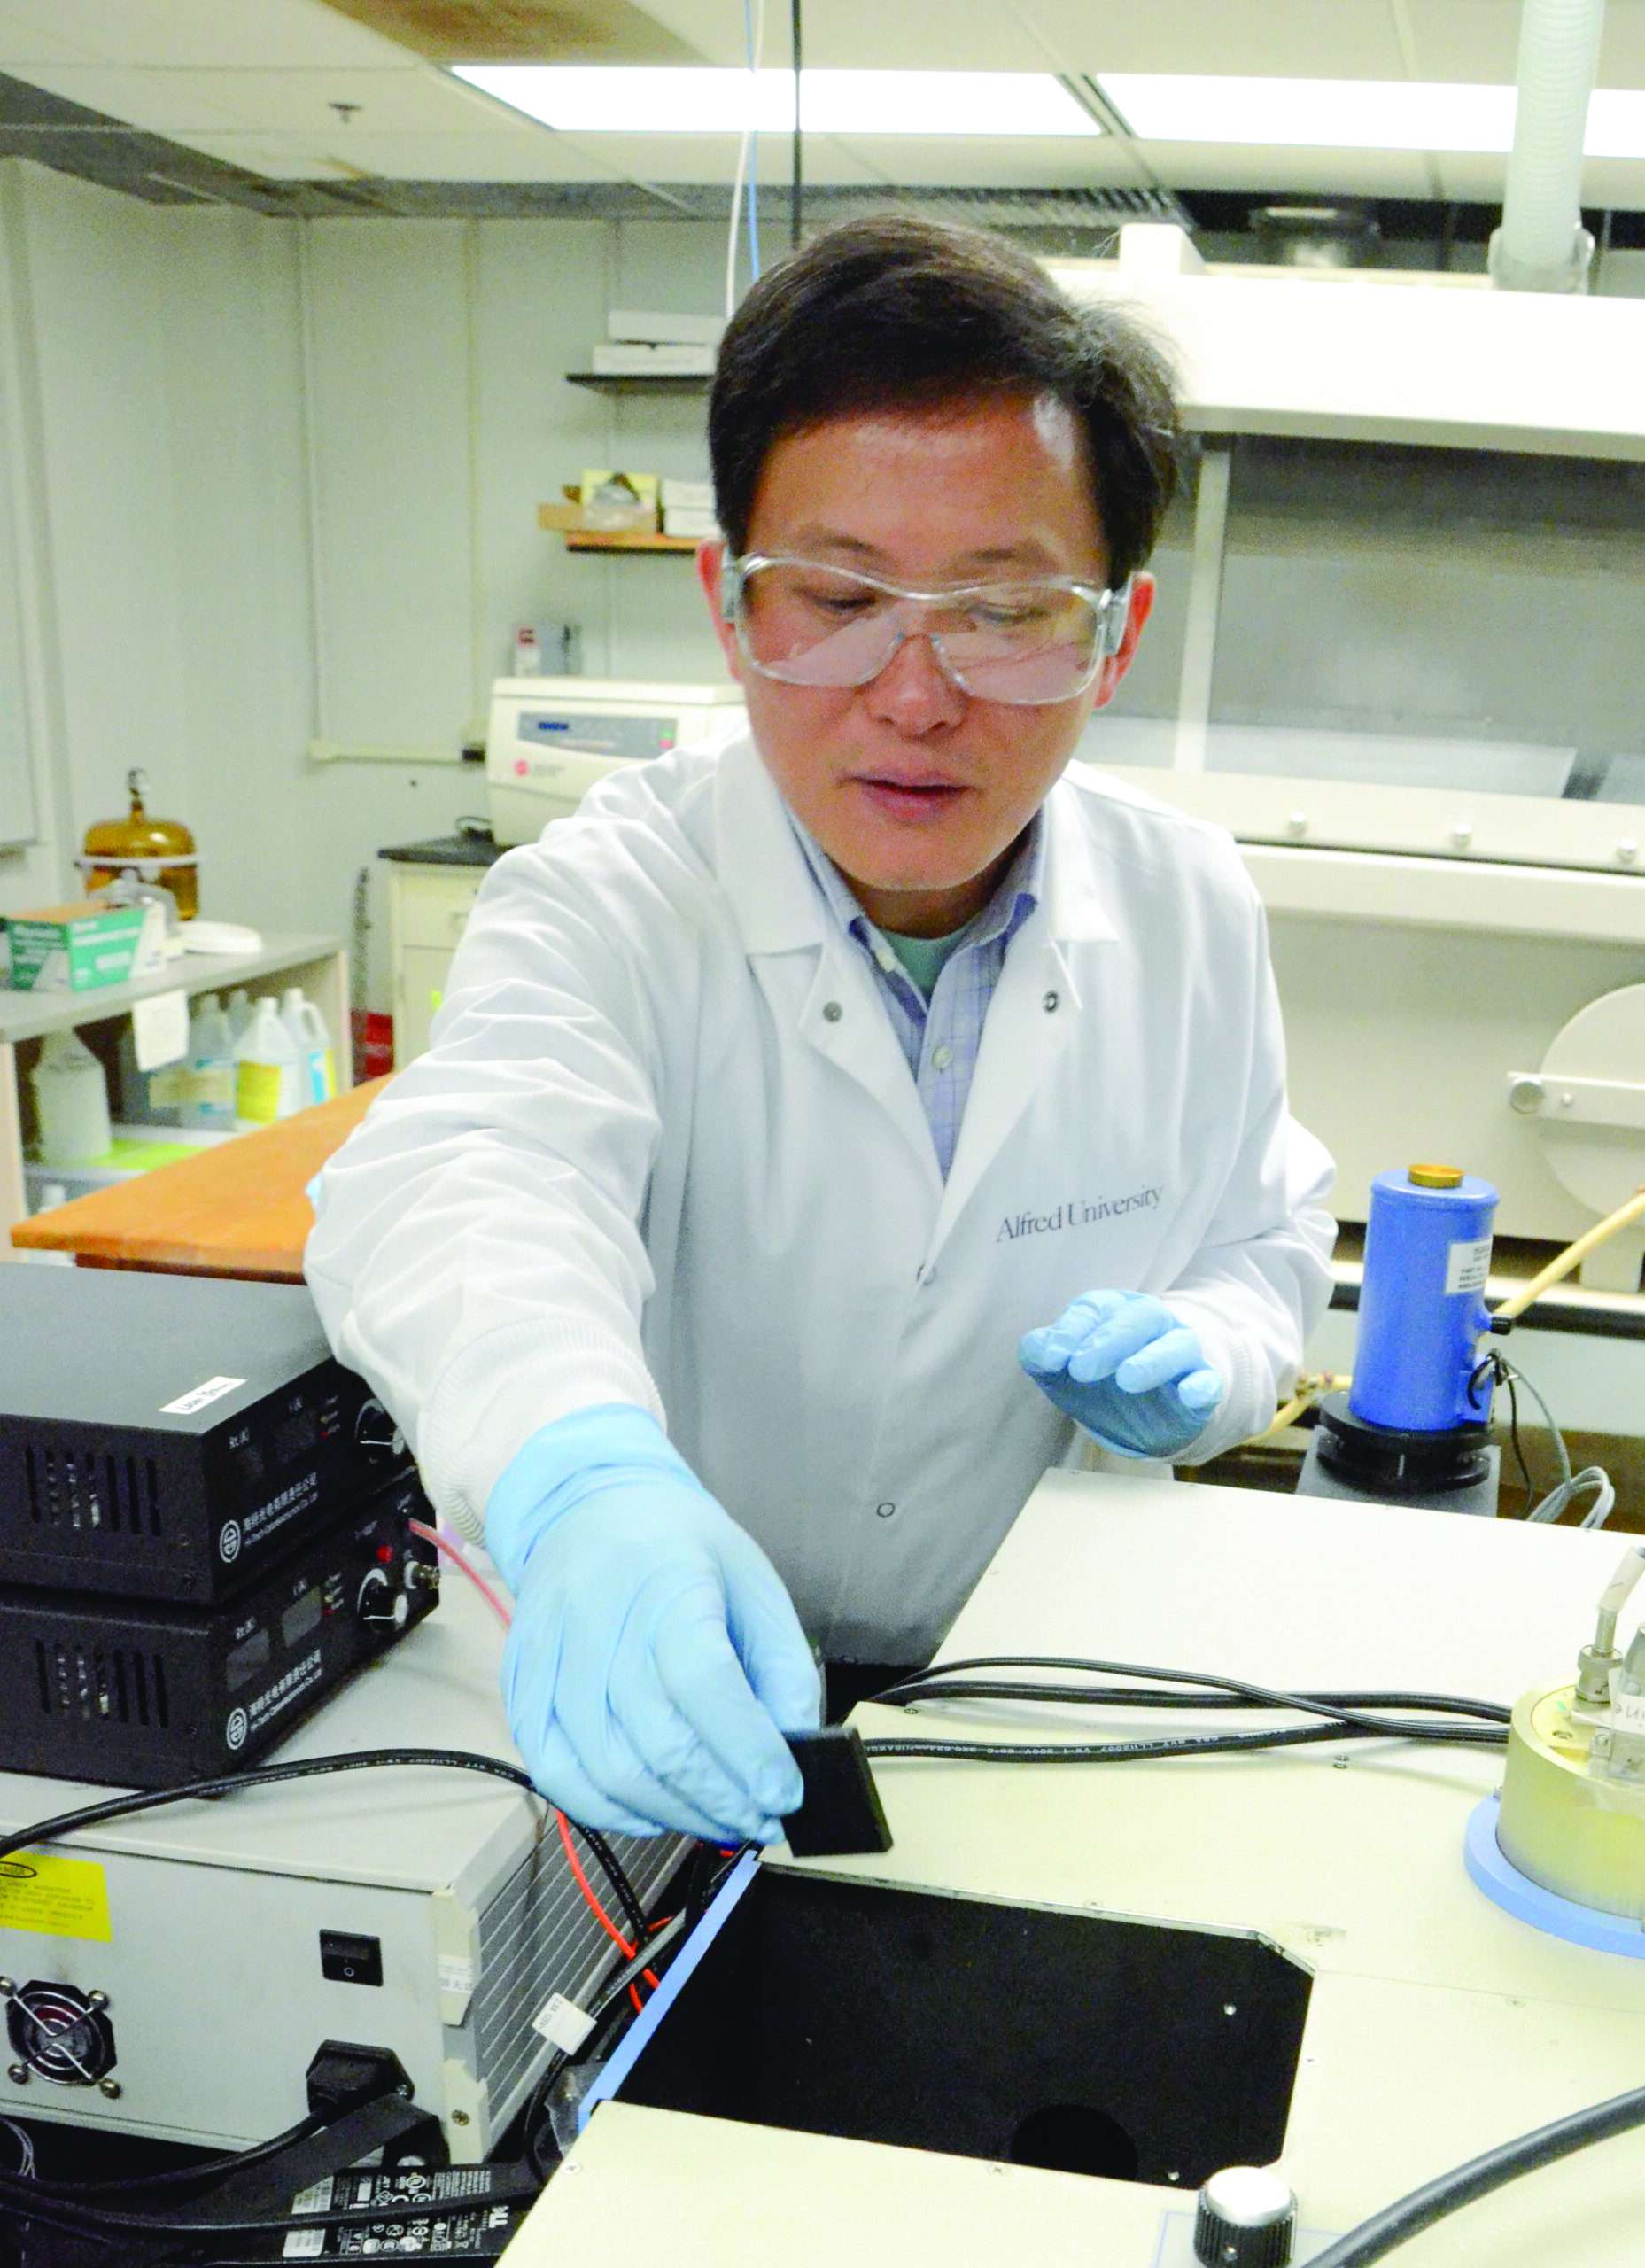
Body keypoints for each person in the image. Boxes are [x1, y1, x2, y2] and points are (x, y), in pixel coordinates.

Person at [306, 216, 1335, 1847]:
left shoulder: (1190, 908)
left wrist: (1212, 1356)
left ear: (1113, 639)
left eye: (1004, 611)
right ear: (732, 610)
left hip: (1031, 1689)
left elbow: (1264, 1234)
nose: (916, 695)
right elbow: (469, 1178)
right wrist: (583, 1482)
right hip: (665, 1689)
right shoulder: (613, 892)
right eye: (841, 599)